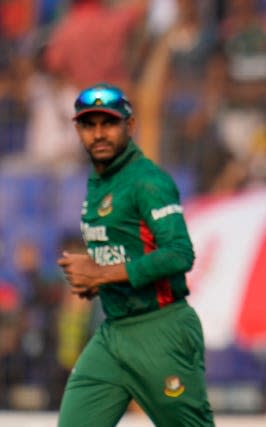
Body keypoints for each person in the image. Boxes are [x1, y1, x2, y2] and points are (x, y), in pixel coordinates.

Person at [57, 83, 214, 426]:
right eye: (89, 124)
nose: (98, 134)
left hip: (161, 330)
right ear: (78, 129)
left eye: (108, 123)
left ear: (130, 126)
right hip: (113, 334)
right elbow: (127, 251)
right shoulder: (99, 182)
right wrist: (95, 281)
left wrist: (100, 275)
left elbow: (179, 254)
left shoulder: (148, 181)